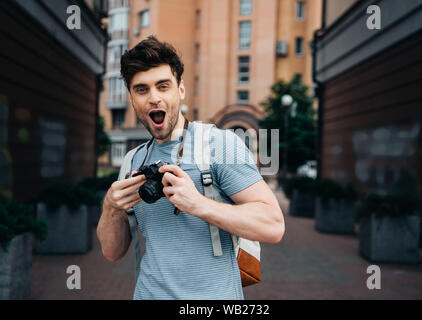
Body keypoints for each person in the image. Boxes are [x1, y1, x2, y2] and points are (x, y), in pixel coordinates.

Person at [97, 36, 285, 300]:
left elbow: (274, 226)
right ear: (131, 97)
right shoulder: (132, 161)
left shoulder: (220, 145)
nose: (153, 98)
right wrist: (110, 206)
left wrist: (198, 204)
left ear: (180, 90)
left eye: (163, 86)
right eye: (142, 90)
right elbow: (112, 252)